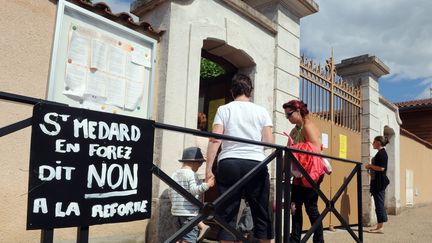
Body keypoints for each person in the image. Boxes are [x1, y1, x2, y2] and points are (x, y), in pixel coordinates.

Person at [206, 73, 274, 243]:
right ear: (250, 91)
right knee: (260, 211)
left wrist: (208, 169)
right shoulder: (262, 111)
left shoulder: (224, 109)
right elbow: (269, 142)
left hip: (229, 162)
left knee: (227, 212)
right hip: (256, 163)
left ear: (232, 92)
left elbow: (215, 139)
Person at [283, 100, 325, 243]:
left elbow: (315, 151)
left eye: (289, 115)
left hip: (310, 173)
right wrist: (284, 168)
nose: (287, 118)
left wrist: (294, 148)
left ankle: (318, 240)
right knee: (295, 206)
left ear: (299, 111)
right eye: (286, 116)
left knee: (311, 208)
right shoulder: (295, 130)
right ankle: (294, 239)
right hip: (299, 173)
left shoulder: (308, 126)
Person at [169, 147, 215, 243]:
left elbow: (170, 191)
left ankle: (203, 226)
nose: (199, 167)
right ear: (195, 163)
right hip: (188, 212)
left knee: (178, 237)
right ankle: (203, 226)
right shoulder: (191, 174)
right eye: (200, 164)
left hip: (176, 211)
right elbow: (194, 190)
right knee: (189, 238)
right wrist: (207, 185)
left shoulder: (174, 174)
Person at [365, 136, 390, 234]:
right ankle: (379, 226)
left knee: (379, 204)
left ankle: (380, 227)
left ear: (379, 143)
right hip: (377, 182)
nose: (372, 143)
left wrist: (370, 166)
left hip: (379, 183)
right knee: (378, 204)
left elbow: (382, 168)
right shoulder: (380, 153)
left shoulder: (382, 154)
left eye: (374, 141)